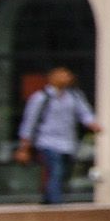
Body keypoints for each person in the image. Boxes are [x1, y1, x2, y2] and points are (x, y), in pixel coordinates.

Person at [13, 65, 96, 205]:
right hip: (47, 142)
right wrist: (24, 147)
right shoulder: (41, 98)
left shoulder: (74, 96)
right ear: (52, 78)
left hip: (68, 143)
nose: (67, 78)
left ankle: (47, 201)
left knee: (62, 174)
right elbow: (30, 122)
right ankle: (56, 205)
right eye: (62, 75)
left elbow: (85, 114)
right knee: (56, 171)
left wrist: (92, 123)